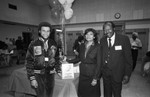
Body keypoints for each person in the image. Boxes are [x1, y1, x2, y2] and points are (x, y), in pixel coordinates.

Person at [25, 22, 59, 97]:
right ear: (39, 31)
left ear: (50, 32)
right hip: (38, 75)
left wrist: (58, 69)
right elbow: (29, 61)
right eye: (43, 30)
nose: (46, 33)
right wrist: (32, 78)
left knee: (49, 94)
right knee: (41, 95)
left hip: (50, 74)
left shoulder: (53, 43)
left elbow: (57, 58)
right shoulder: (33, 44)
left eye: (48, 31)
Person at [100, 21, 132, 97]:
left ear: (114, 28)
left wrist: (127, 74)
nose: (107, 31)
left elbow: (128, 58)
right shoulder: (102, 40)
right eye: (105, 30)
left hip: (118, 73)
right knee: (107, 94)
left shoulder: (124, 39)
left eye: (109, 29)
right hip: (106, 73)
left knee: (117, 94)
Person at [67, 28, 101, 97]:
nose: (88, 36)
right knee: (82, 93)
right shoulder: (82, 46)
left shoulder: (98, 46)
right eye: (87, 34)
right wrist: (68, 61)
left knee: (93, 94)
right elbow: (79, 58)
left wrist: (95, 78)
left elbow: (99, 64)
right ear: (85, 36)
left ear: (94, 36)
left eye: (91, 34)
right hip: (83, 73)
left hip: (92, 74)